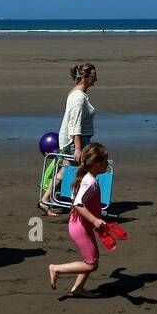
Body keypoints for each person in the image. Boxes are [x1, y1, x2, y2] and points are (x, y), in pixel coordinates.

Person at [48, 143, 110, 297]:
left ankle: (78, 288)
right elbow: (78, 204)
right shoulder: (90, 182)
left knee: (90, 258)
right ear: (97, 164)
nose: (108, 164)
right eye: (105, 161)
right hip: (80, 227)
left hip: (80, 225)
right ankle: (56, 269)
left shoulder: (86, 178)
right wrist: (95, 220)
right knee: (92, 264)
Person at [41, 62, 97, 215]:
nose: (96, 79)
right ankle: (79, 205)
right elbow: (75, 125)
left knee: (64, 172)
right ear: (85, 77)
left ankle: (45, 201)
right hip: (77, 142)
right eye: (93, 76)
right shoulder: (78, 97)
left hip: (76, 140)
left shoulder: (77, 94)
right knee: (83, 172)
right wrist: (78, 148)